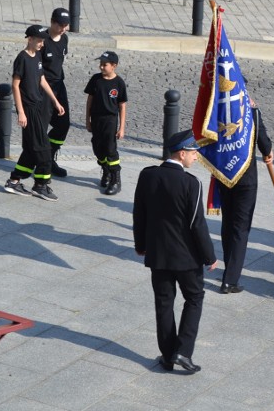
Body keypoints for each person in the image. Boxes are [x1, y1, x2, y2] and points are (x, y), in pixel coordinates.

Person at [133, 130, 218, 374]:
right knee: (194, 298)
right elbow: (196, 224)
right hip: (186, 258)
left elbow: (140, 213)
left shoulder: (148, 176)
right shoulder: (191, 183)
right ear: (182, 154)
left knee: (164, 303)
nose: (196, 157)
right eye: (193, 153)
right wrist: (209, 256)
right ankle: (184, 351)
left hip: (158, 254)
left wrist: (141, 245)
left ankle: (168, 355)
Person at [218, 91, 273, 293]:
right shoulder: (252, 113)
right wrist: (268, 152)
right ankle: (230, 280)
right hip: (246, 178)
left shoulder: (219, 111)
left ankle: (228, 267)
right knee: (240, 228)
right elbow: (264, 143)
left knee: (228, 222)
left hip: (225, 174)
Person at [4, 25, 65, 201]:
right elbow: (15, 85)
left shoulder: (37, 55)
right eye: (39, 40)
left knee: (31, 149)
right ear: (29, 39)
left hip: (38, 106)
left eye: (43, 40)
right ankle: (40, 185)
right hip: (28, 110)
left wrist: (55, 100)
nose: (41, 43)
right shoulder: (21, 58)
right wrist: (21, 113)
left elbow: (42, 79)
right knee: (44, 149)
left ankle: (14, 181)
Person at [84, 51, 128, 195]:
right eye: (101, 64)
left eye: (105, 65)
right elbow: (89, 100)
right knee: (97, 148)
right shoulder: (96, 80)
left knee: (110, 149)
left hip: (110, 120)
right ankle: (106, 170)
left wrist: (121, 128)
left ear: (114, 66)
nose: (101, 67)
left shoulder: (119, 83)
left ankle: (116, 179)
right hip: (96, 119)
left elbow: (122, 106)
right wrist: (88, 120)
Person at [43, 8, 71, 178]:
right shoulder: (42, 40)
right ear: (52, 22)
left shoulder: (64, 39)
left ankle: (49, 155)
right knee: (42, 124)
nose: (64, 28)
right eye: (61, 25)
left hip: (59, 85)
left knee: (63, 124)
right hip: (43, 87)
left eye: (66, 25)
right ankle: (42, 159)